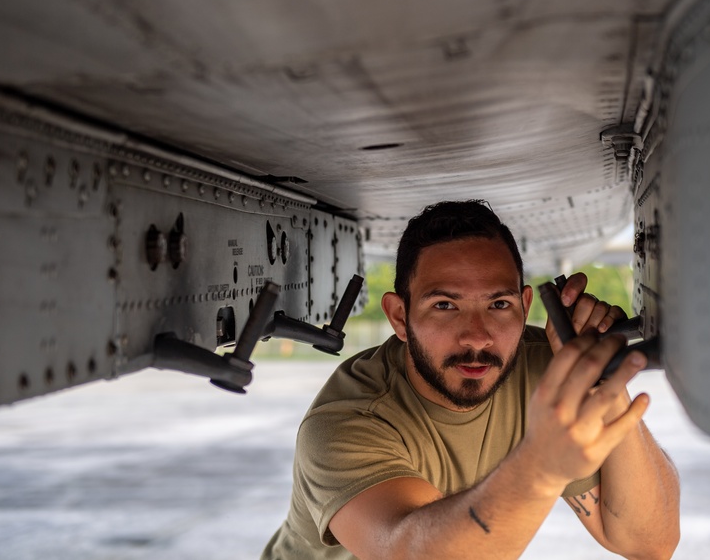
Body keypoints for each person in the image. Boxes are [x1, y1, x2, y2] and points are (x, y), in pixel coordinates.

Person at [261, 200, 680, 559]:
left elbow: (648, 544)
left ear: (525, 305)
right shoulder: (345, 422)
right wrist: (541, 467)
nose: (477, 336)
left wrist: (599, 372)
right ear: (399, 317)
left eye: (499, 304)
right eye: (445, 305)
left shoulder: (544, 368)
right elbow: (408, 550)